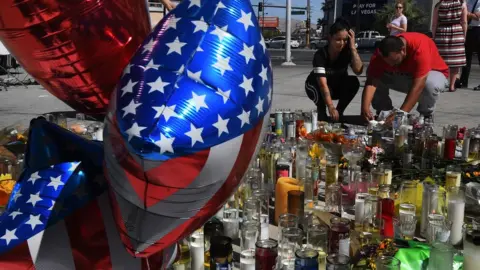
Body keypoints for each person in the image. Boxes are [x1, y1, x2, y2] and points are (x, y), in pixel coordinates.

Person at [361, 33, 449, 124]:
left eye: (394, 61)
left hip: (432, 74)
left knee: (430, 84)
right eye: (387, 62)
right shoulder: (380, 52)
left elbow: (418, 86)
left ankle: (426, 116)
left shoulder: (419, 47)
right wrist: (364, 107)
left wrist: (401, 113)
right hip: (405, 77)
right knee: (373, 72)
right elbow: (372, 81)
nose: (391, 65)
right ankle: (384, 112)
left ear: (402, 50)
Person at [305, 18, 364, 122]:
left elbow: (358, 71)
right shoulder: (320, 55)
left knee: (353, 82)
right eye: (338, 39)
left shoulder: (347, 52)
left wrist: (353, 48)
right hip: (316, 86)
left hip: (335, 87)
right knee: (322, 113)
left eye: (345, 40)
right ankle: (321, 112)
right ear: (330, 38)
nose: (341, 43)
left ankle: (339, 112)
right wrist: (330, 106)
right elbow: (323, 84)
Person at [432, 0, 468, 92]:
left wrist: (434, 35)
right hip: (457, 32)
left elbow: (434, 23)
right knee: (455, 62)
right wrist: (464, 35)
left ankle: (441, 83)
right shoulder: (462, 4)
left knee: (441, 60)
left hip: (442, 32)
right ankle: (452, 86)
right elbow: (464, 22)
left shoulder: (439, 5)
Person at [457, 0, 480, 90]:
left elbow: (477, 17)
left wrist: (464, 12)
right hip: (468, 29)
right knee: (466, 57)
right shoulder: (468, 1)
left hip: (478, 30)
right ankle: (463, 81)